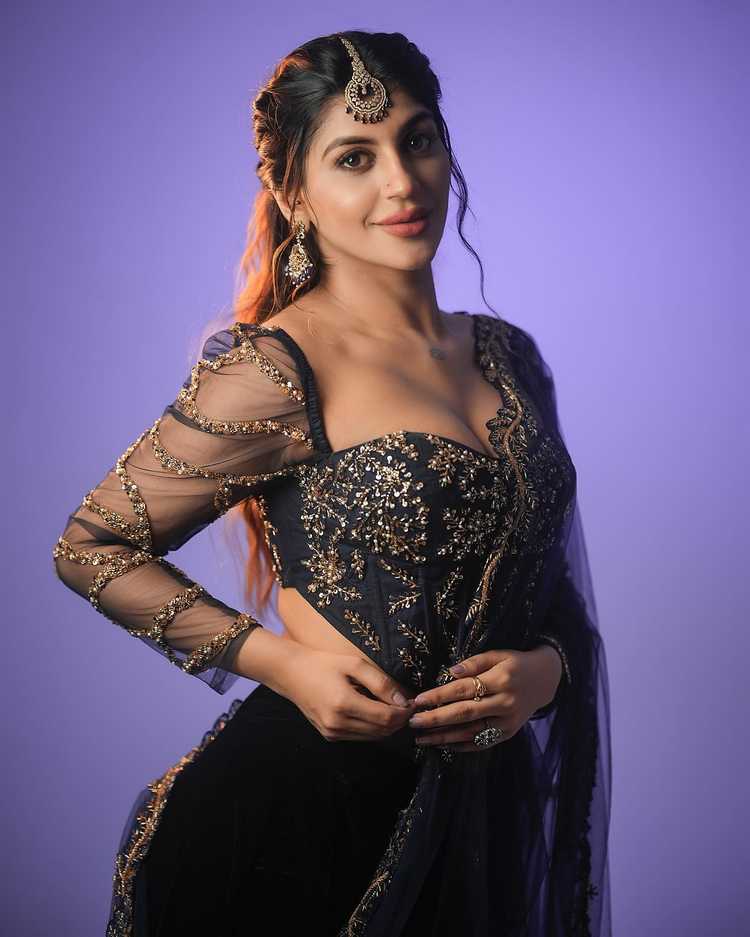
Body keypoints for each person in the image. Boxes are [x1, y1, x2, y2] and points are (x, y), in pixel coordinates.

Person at [52, 30, 612, 937]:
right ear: (293, 194)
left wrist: (544, 671)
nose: (402, 182)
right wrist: (283, 664)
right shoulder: (279, 369)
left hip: (477, 824)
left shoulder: (510, 358)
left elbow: (550, 589)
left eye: (419, 141)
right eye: (355, 157)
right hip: (302, 822)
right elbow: (91, 546)